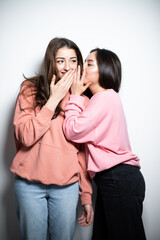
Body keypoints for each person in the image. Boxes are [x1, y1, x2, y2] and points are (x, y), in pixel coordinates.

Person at [10, 37, 94, 240]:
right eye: (60, 60)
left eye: (73, 60)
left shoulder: (83, 99)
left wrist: (86, 195)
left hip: (66, 186)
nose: (67, 67)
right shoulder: (30, 88)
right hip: (29, 185)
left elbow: (83, 152)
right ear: (51, 62)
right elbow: (25, 136)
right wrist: (54, 99)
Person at [63, 48, 146, 240]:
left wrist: (74, 95)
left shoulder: (105, 98)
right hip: (114, 180)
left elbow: (72, 129)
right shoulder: (101, 100)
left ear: (105, 70)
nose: (82, 69)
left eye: (89, 64)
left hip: (118, 178)